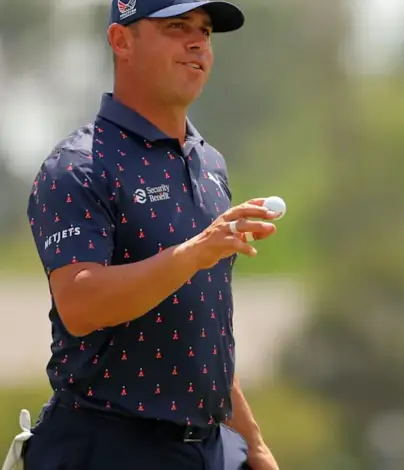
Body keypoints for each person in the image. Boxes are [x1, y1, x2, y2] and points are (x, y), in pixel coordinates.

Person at [23, 1, 280, 469]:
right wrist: (194, 253)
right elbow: (80, 305)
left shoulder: (209, 164)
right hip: (106, 446)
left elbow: (199, 331)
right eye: (177, 26)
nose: (197, 42)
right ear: (121, 40)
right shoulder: (79, 166)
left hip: (207, 447)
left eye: (205, 31)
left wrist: (255, 445)